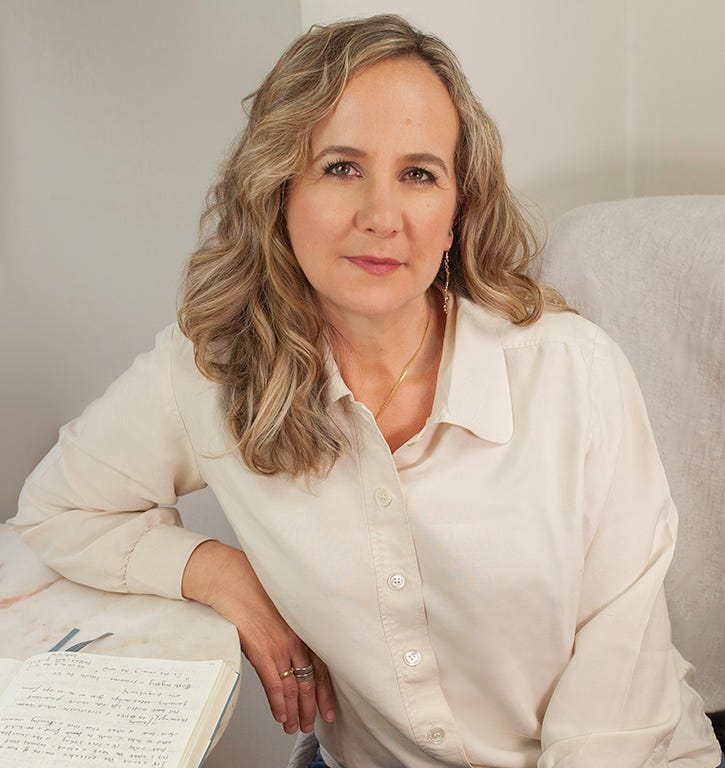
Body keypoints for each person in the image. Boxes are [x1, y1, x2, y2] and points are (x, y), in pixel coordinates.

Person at [10, 14, 723, 768]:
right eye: (340, 167)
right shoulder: (212, 373)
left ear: (455, 214)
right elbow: (61, 506)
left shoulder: (572, 371)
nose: (380, 217)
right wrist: (225, 576)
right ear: (278, 190)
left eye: (418, 174)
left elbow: (618, 678)